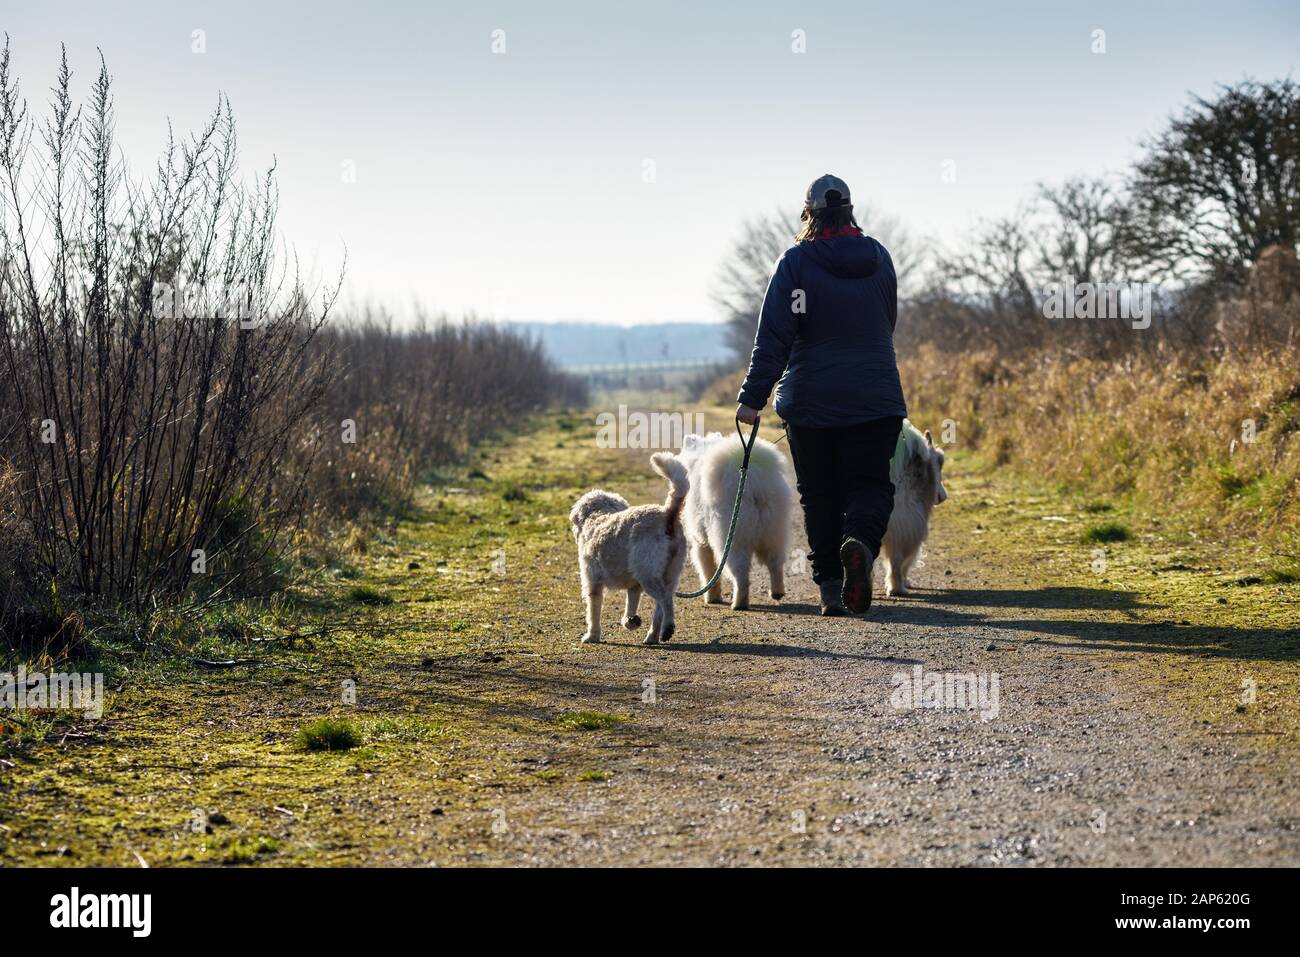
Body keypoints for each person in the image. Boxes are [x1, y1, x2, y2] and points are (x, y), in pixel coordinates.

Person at [735, 173, 906, 616]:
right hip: (876, 397)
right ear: (850, 210)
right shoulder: (880, 257)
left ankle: (830, 585)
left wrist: (753, 397)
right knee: (870, 484)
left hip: (812, 402)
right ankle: (862, 547)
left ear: (808, 214)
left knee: (820, 493)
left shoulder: (795, 263)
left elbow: (775, 335)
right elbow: (886, 323)